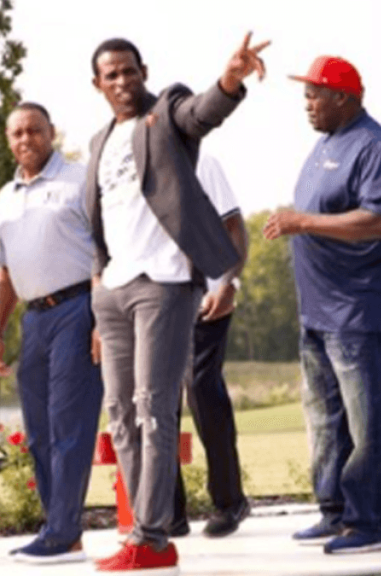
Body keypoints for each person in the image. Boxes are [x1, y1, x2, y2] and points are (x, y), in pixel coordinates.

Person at [86, 33, 268, 574]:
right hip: (113, 292)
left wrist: (230, 78)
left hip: (163, 286)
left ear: (143, 70)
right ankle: (147, 533)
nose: (122, 82)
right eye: (110, 75)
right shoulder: (98, 142)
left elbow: (202, 113)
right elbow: (96, 221)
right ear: (97, 84)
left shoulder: (166, 112)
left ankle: (151, 538)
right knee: (119, 414)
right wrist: (98, 282)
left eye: (128, 71)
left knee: (154, 408)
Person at [263, 55, 381, 555]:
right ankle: (334, 514)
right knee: (326, 420)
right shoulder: (323, 146)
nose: (307, 104)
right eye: (306, 95)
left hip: (359, 310)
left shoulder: (376, 147)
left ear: (344, 98)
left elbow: (379, 221)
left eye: (315, 95)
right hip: (317, 312)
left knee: (368, 421)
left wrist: (302, 223)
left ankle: (370, 524)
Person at [0, 102, 104, 564]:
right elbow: (4, 272)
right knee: (38, 432)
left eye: (34, 130)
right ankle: (61, 529)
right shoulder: (5, 196)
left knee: (69, 427)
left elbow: (105, 251)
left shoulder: (79, 180)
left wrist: (100, 319)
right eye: (16, 133)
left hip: (78, 308)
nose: (25, 139)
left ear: (50, 132)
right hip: (33, 320)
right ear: (8, 139)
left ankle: (61, 531)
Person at [170, 154, 251, 539]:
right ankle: (169, 512)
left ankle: (229, 500)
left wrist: (229, 284)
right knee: (157, 401)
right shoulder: (131, 166)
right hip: (156, 298)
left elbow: (234, 227)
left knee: (201, 389)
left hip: (206, 296)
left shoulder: (201, 162)